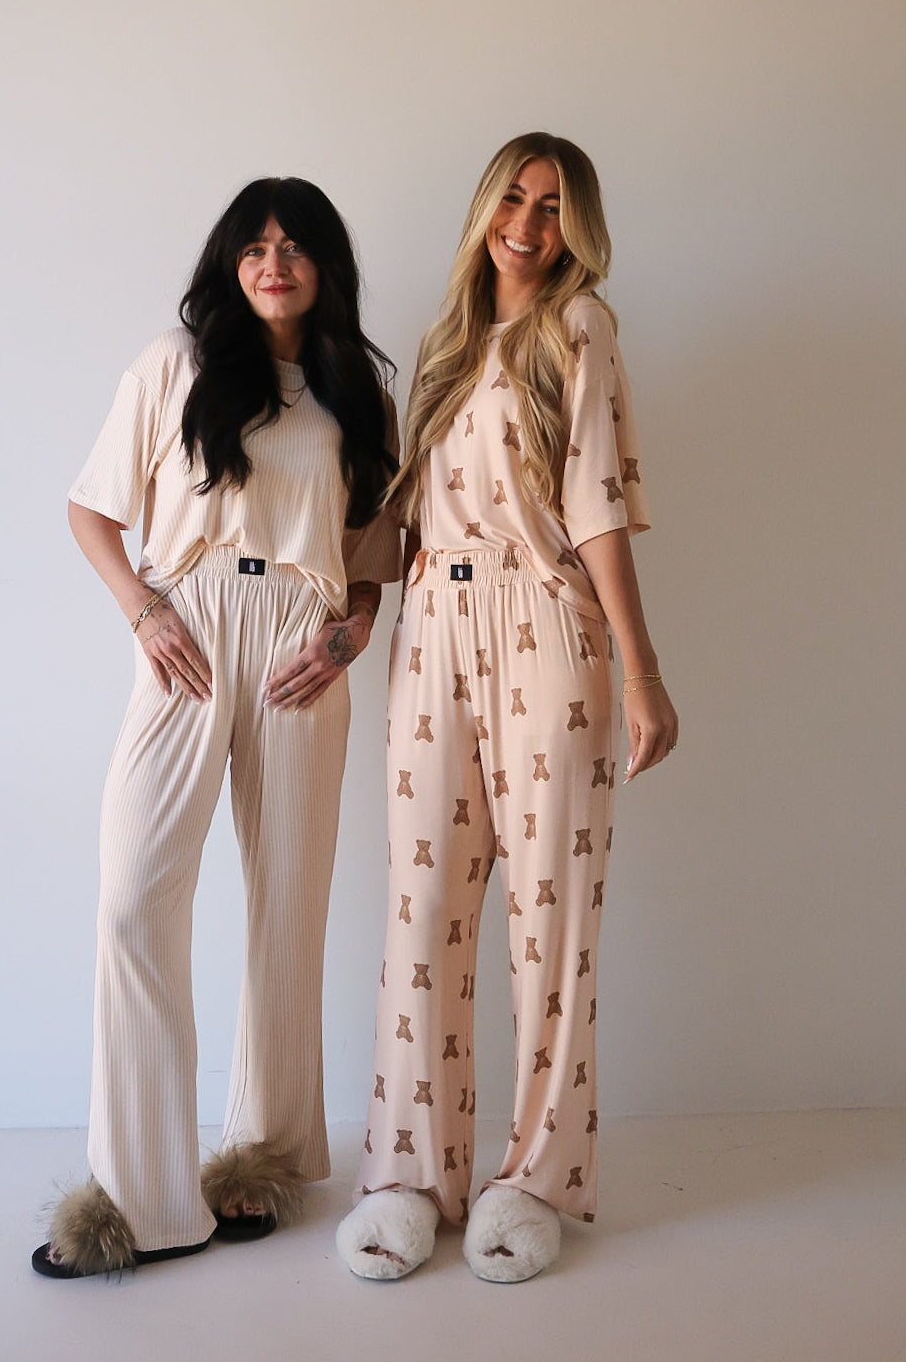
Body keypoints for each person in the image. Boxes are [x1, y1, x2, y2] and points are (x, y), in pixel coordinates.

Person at [33, 177, 400, 1278]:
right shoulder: (172, 364)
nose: (272, 259)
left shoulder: (352, 391)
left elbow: (373, 564)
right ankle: (139, 1195)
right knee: (136, 892)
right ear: (230, 261)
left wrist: (348, 638)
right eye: (254, 243)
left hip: (303, 644)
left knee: (287, 906)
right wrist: (145, 609)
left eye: (293, 244)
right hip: (187, 627)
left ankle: (268, 1155)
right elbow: (91, 509)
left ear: (324, 264)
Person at [336, 132, 678, 1284]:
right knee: (421, 901)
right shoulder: (441, 346)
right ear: (487, 203)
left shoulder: (579, 329)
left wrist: (640, 667)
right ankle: (405, 1172)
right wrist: (340, 614)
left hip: (546, 627)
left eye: (556, 206)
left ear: (577, 228)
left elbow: (598, 504)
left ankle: (529, 1177)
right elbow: (397, 519)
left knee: (550, 920)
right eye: (516, 197)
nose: (531, 223)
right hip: (431, 627)